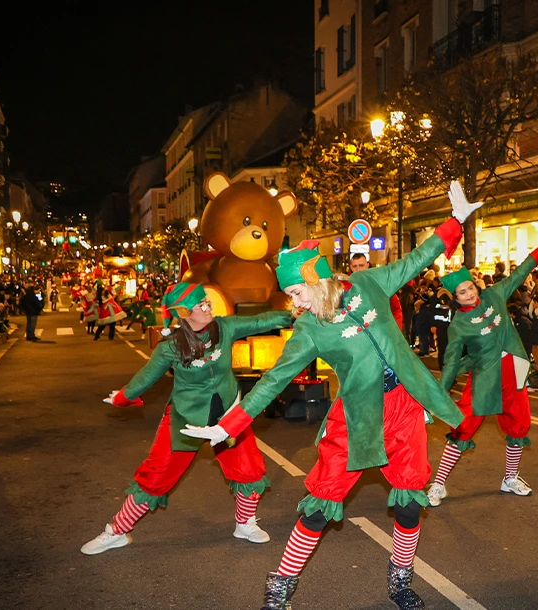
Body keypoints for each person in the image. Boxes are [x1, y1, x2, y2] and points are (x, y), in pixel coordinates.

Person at [180, 181, 476, 610]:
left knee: (410, 501)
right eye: (292, 297)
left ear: (316, 280)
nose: (296, 303)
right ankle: (280, 585)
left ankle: (399, 581)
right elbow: (273, 381)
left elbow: (418, 258)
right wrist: (228, 425)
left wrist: (456, 221)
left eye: (298, 293)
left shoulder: (369, 283)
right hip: (355, 417)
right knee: (319, 509)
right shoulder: (308, 328)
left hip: (404, 408)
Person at [81, 282, 293, 555]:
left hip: (227, 415)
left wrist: (292, 314)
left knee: (249, 469)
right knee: (156, 475)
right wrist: (123, 397)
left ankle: (245, 523)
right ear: (183, 313)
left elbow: (260, 321)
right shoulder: (171, 346)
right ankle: (117, 531)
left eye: (207, 301)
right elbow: (147, 376)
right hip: (186, 418)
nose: (208, 307)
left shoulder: (224, 327)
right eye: (201, 305)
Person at [426, 232, 538, 507]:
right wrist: (436, 398)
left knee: (519, 426)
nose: (468, 293)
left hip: (514, 371)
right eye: (461, 292)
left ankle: (510, 478)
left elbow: (520, 273)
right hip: (484, 379)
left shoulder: (495, 294)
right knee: (462, 428)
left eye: (470, 287)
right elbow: (450, 364)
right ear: (455, 298)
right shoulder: (458, 325)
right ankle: (438, 484)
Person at [351, 253, 404, 331]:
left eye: (361, 265)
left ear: (367, 265)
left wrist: (395, 330)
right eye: (355, 266)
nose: (358, 269)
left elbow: (395, 308)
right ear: (351, 267)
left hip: (380, 330)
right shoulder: (347, 286)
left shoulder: (379, 283)